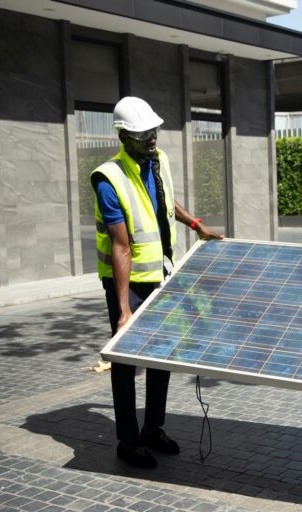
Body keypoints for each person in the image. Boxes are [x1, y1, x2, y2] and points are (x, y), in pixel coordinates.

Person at [92, 96, 223, 468]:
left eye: (153, 130)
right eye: (142, 133)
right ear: (123, 136)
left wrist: (196, 225)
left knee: (160, 353)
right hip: (127, 281)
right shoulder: (108, 179)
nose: (151, 137)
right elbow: (121, 246)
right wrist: (123, 310)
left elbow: (165, 202)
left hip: (160, 273)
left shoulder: (158, 159)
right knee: (126, 359)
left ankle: (153, 428)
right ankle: (127, 441)